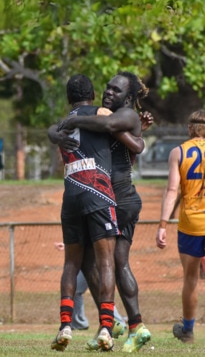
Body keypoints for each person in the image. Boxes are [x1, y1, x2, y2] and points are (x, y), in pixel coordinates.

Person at [50, 71, 153, 352]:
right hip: (106, 196)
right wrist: (57, 131)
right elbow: (121, 136)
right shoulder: (105, 116)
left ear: (129, 98)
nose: (109, 92)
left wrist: (71, 119)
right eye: (107, 87)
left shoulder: (122, 116)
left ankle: (130, 324)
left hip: (120, 197)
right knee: (90, 262)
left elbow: (111, 127)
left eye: (116, 90)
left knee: (115, 262)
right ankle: (113, 324)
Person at [51, 74, 121, 352]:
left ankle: (65, 325)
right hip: (98, 193)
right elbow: (115, 123)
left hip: (71, 196)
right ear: (92, 95)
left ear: (69, 98)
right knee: (106, 263)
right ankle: (106, 328)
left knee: (71, 263)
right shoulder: (101, 113)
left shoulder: (63, 125)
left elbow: (53, 133)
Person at [156, 109, 205, 344]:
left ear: (189, 128)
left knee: (191, 279)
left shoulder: (179, 152)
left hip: (191, 224)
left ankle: (187, 331)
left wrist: (163, 224)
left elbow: (172, 191)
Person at [54, 242, 126, 331]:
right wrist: (68, 245)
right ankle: (79, 323)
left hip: (98, 262)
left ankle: (118, 322)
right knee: (76, 290)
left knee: (102, 294)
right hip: (85, 260)